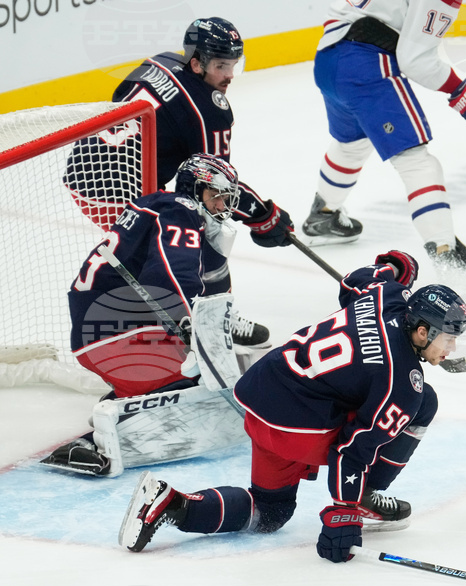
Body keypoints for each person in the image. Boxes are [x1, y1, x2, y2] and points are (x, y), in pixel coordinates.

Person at [118, 254, 466, 560]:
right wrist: (344, 512)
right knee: (425, 401)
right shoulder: (402, 383)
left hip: (260, 395)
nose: (451, 348)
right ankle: (364, 497)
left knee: (272, 512)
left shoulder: (387, 293)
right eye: (448, 338)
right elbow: (351, 452)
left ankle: (171, 503)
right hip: (297, 429)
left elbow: (355, 282)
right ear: (422, 332)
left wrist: (395, 266)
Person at [64, 17, 295, 347]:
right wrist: (263, 216)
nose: (229, 75)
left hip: (82, 168)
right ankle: (212, 323)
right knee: (200, 231)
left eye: (234, 65)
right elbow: (217, 188)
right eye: (221, 66)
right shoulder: (210, 110)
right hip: (117, 192)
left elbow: (116, 100)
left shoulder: (158, 62)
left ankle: (173, 318)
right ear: (198, 62)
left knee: (168, 238)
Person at [42, 154, 248, 476]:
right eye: (215, 195)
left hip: (107, 323)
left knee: (191, 377)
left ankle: (126, 399)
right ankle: (96, 438)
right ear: (194, 188)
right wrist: (191, 319)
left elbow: (204, 282)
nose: (221, 206)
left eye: (226, 199)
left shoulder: (168, 207)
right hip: (112, 326)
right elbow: (169, 273)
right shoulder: (182, 210)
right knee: (194, 385)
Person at [301, 0, 466, 276]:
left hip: (328, 60)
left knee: (352, 144)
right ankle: (446, 255)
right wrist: (461, 90)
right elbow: (416, 61)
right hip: (366, 65)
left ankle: (322, 215)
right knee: (416, 162)